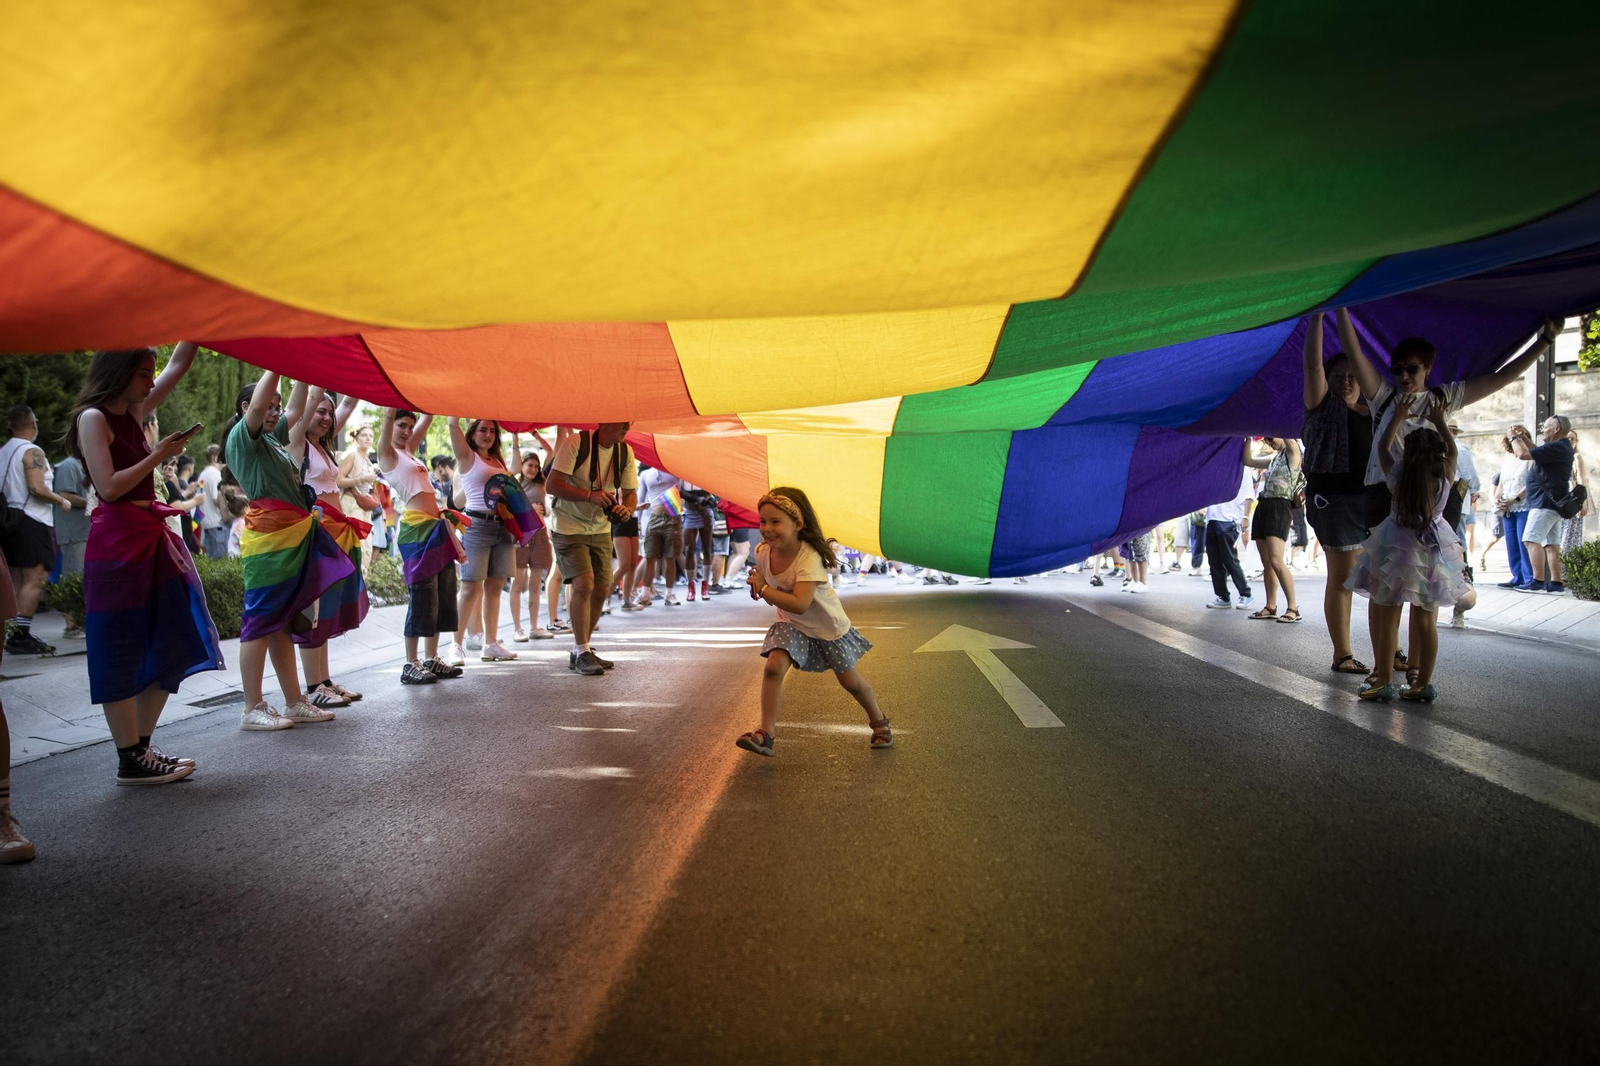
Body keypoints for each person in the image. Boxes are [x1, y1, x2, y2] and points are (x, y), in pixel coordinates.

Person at [63, 344, 223, 782]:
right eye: (142, 373)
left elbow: (177, 364)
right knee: (118, 646)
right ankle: (129, 756)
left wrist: (204, 325)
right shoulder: (94, 417)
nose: (151, 381)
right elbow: (110, 488)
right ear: (118, 372)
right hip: (117, 546)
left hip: (150, 542)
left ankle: (142, 749)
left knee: (173, 636)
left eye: (150, 372)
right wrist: (159, 455)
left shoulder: (133, 410)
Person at [224, 371, 355, 729]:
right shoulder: (244, 438)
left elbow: (298, 405)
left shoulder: (274, 438)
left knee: (282, 623)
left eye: (276, 408)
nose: (275, 412)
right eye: (268, 406)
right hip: (268, 540)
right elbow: (276, 399)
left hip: (291, 536)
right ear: (246, 408)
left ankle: (294, 701)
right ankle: (252, 707)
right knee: (261, 619)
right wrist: (276, 363)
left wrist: (301, 365)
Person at [735, 488, 888, 757]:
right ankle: (765, 734)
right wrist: (757, 581)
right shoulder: (762, 552)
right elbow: (774, 591)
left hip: (826, 628)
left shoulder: (809, 558)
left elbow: (800, 603)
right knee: (773, 667)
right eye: (762, 521)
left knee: (851, 683)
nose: (767, 529)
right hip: (791, 623)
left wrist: (764, 589)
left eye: (775, 521)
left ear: (798, 524)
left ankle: (879, 723)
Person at [1345, 396, 1471, 703]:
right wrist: (1440, 420)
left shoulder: (1398, 475)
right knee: (1427, 620)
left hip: (1398, 547)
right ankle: (1421, 684)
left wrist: (1396, 417)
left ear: (1409, 452)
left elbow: (1382, 449)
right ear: (1438, 454)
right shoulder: (1444, 475)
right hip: (1435, 549)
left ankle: (1384, 680)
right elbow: (1452, 449)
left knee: (1388, 617)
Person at [1300, 312, 1374, 673]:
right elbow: (1312, 364)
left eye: (1352, 376)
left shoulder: (1375, 411)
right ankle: (1342, 654)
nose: (1346, 382)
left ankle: (1389, 649)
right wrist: (1319, 317)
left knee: (1387, 576)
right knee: (1344, 576)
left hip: (1374, 502)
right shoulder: (1321, 406)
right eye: (1338, 377)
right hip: (1334, 501)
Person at [292, 387, 369, 707]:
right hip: (316, 537)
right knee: (314, 609)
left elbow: (350, 401)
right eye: (319, 411)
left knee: (328, 610)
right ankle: (313, 688)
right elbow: (309, 401)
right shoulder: (296, 444)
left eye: (329, 413)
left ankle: (323, 680)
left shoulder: (322, 448)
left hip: (337, 534)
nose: (325, 417)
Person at [378, 408, 464, 685]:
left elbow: (426, 419)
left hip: (436, 528)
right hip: (416, 531)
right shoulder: (388, 455)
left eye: (409, 427)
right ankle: (410, 663)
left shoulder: (409, 452)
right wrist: (391, 402)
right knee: (422, 595)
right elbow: (387, 420)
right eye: (401, 425)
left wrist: (436, 399)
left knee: (441, 594)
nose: (406, 431)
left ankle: (431, 659)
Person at [546, 423, 637, 676]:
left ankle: (581, 649)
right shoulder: (577, 443)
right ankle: (582, 649)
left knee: (602, 587)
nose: (627, 427)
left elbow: (630, 493)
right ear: (605, 421)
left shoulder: (624, 452)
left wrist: (626, 509)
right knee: (584, 582)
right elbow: (551, 485)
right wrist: (589, 496)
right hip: (567, 526)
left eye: (629, 422)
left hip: (600, 528)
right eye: (622, 422)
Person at [441, 418, 518, 665]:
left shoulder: (497, 460)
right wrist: (457, 410)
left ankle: (491, 644)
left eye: (493, 431)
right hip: (476, 527)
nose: (488, 434)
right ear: (472, 433)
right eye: (483, 429)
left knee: (495, 588)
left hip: (503, 528)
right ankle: (456, 645)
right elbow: (453, 426)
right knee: (470, 587)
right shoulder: (466, 458)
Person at [2, 405, 77, 655]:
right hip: (32, 520)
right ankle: (19, 635)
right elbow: (36, 488)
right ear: (33, 423)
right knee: (35, 578)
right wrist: (61, 500)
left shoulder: (3, 451)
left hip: (9, 521)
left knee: (15, 577)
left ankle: (11, 630)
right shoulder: (32, 451)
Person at [1509, 416, 1577, 595]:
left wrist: (1512, 438)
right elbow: (1537, 452)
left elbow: (1523, 454)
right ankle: (1556, 583)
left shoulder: (1558, 446)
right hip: (1553, 503)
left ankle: (1537, 581)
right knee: (1551, 545)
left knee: (1531, 540)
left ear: (1556, 428)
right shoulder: (1560, 447)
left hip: (1544, 503)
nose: (1542, 430)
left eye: (1545, 427)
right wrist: (1523, 437)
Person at [1244, 437, 1303, 622]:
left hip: (1280, 505)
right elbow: (1248, 461)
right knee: (1267, 562)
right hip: (1264, 505)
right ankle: (1271, 606)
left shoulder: (1293, 452)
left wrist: (1272, 419)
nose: (1269, 441)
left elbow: (1285, 434)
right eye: (1267, 439)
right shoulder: (1274, 458)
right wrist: (1247, 438)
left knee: (1277, 560)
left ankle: (1293, 608)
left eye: (1271, 438)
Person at [508, 434, 555, 639]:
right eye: (530, 465)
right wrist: (515, 438)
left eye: (536, 465)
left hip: (540, 534)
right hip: (520, 534)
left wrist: (535, 433)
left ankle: (535, 627)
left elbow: (551, 452)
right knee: (518, 583)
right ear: (523, 465)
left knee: (536, 583)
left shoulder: (541, 482)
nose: (533, 469)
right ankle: (518, 628)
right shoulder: (514, 483)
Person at [1203, 449, 1256, 610]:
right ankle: (1223, 596)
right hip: (1212, 518)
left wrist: (1245, 517)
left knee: (1229, 560)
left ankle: (1246, 593)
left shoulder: (1242, 467)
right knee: (1214, 561)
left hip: (1229, 519)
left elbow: (1249, 494)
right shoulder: (1216, 466)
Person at [637, 463, 684, 608]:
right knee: (650, 557)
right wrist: (638, 522)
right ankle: (645, 593)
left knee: (670, 558)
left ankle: (669, 593)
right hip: (654, 519)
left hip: (673, 519)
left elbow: (681, 490)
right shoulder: (645, 474)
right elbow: (641, 499)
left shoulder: (675, 470)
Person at [336, 422, 379, 570]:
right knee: (356, 547)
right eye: (364, 435)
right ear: (356, 437)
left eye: (371, 436)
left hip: (364, 506)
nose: (368, 438)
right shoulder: (351, 455)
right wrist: (362, 479)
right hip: (351, 504)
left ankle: (362, 587)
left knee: (367, 547)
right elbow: (339, 480)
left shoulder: (366, 459)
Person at [52, 449, 90, 590]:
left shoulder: (86, 465)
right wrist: (92, 502)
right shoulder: (69, 466)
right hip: (74, 535)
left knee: (84, 581)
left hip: (85, 533)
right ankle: (70, 613)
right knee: (74, 583)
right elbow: (64, 495)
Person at [196, 443, 229, 559]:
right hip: (217, 523)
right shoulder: (215, 474)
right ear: (215, 457)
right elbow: (216, 500)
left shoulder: (202, 475)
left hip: (206, 523)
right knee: (221, 560)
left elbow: (199, 498)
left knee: (211, 560)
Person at [1560, 429, 1590, 554]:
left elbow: (1582, 480)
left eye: (1573, 438)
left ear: (1577, 442)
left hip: (1573, 499)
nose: (1570, 440)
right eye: (1568, 438)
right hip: (1562, 499)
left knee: (1569, 535)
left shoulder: (1576, 457)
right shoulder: (1561, 457)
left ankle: (1567, 567)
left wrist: (1583, 502)